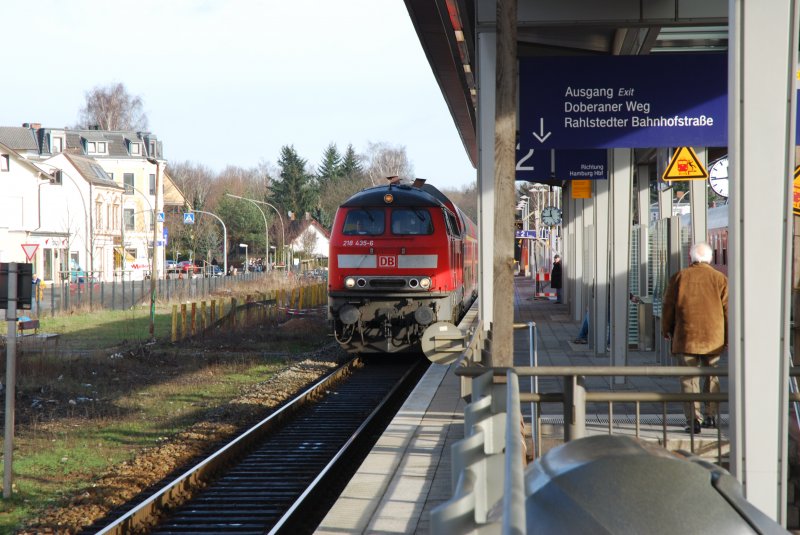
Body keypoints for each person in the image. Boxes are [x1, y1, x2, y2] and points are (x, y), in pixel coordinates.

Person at [661, 242, 728, 434]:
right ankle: (711, 416)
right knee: (712, 376)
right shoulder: (720, 279)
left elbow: (668, 306)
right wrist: (728, 337)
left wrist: (666, 329)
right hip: (713, 339)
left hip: (686, 337)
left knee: (689, 379)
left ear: (690, 258)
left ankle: (693, 420)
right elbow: (728, 310)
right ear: (710, 258)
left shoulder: (679, 277)